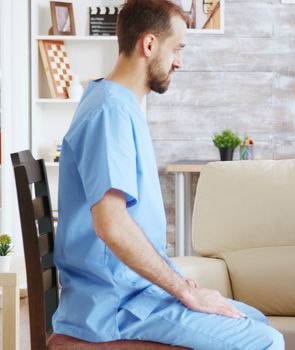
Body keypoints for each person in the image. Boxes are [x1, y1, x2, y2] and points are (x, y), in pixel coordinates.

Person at [54, 1, 283, 348]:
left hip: (134, 294)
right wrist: (185, 292)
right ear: (149, 45)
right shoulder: (109, 113)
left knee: (255, 321)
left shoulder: (118, 105)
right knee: (262, 341)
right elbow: (111, 225)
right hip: (114, 307)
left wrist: (184, 287)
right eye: (176, 48)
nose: (179, 61)